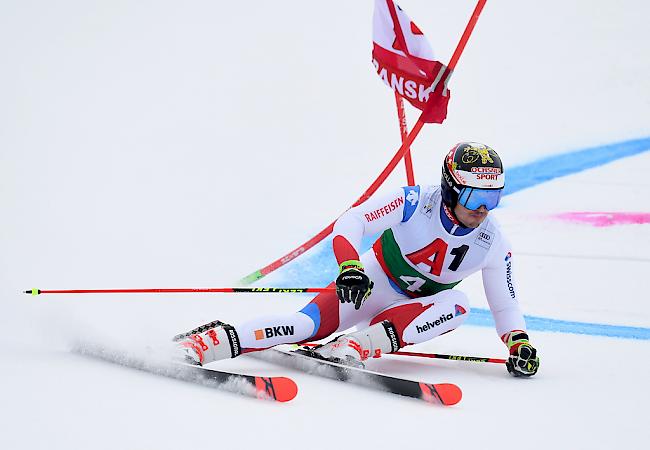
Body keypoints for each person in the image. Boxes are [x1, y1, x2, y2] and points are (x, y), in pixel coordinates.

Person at [176, 142, 540, 377]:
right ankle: (207, 343)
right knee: (302, 327)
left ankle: (355, 346)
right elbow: (353, 220)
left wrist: (518, 343)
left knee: (458, 305)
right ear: (452, 187)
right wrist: (350, 266)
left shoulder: (494, 241)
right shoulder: (415, 202)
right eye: (476, 196)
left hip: (409, 315)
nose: (482, 210)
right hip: (370, 283)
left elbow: (505, 306)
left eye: (492, 199)